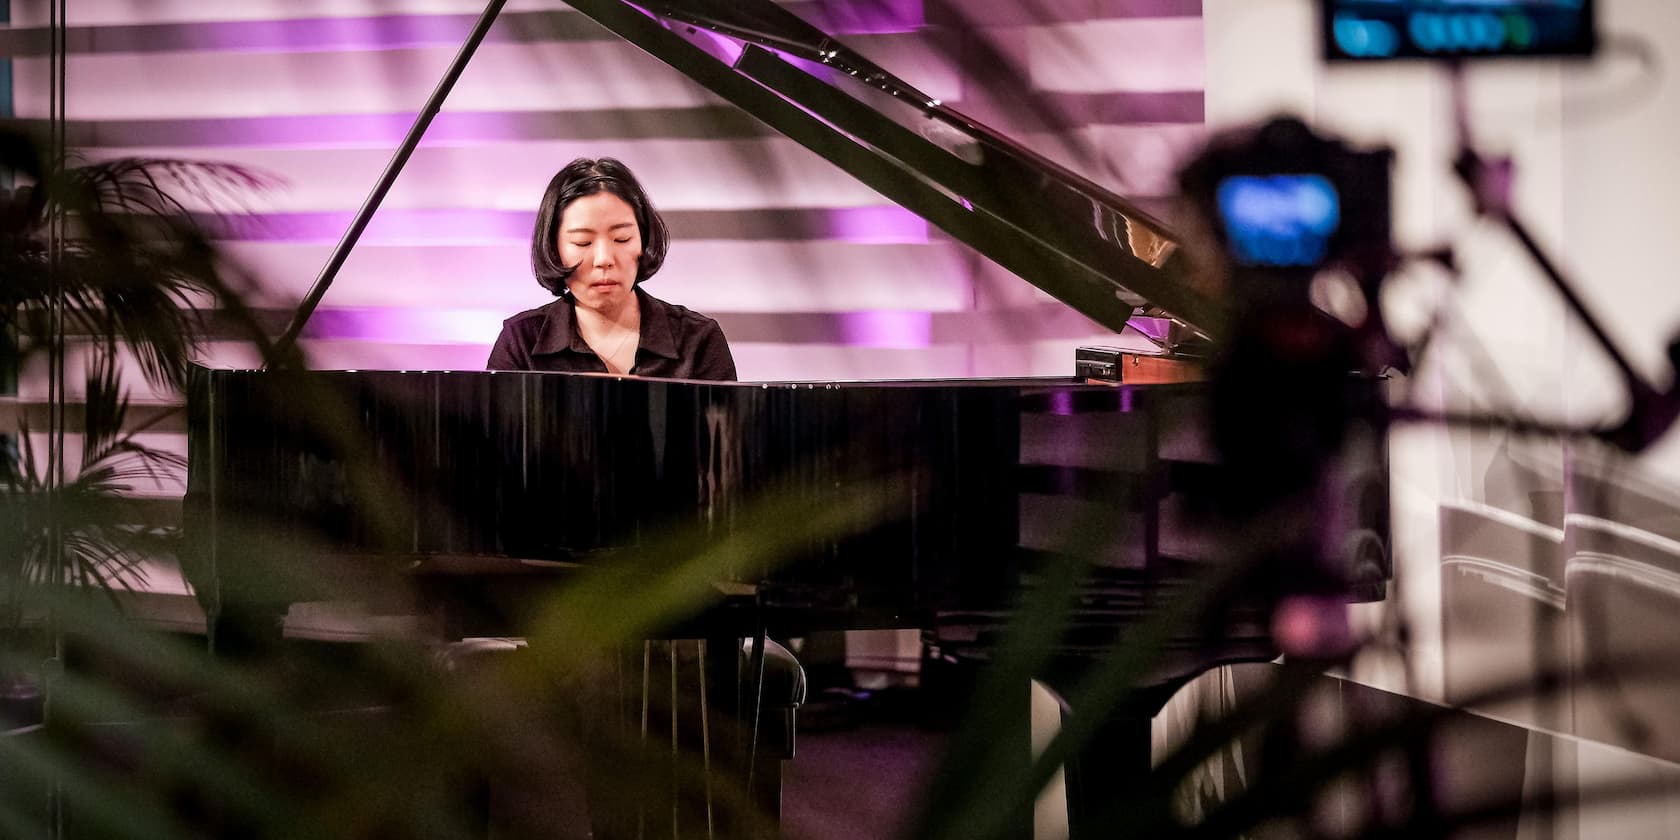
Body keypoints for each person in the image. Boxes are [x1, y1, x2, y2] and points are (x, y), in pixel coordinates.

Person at [487, 157, 736, 380]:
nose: (604, 259)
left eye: (622, 239)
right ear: (555, 249)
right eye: (582, 242)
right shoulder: (521, 343)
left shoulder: (698, 340)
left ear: (643, 240)